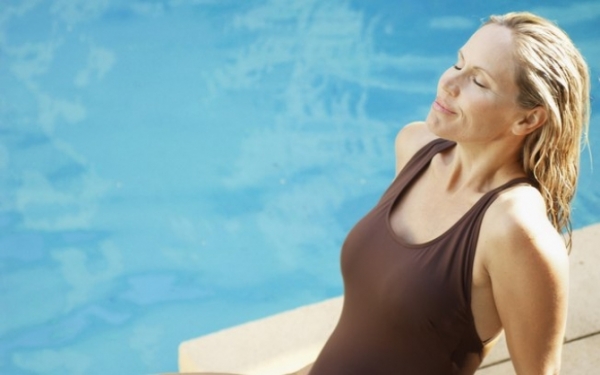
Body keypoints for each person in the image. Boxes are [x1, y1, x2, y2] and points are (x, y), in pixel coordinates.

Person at [190, 10, 590, 375]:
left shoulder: (516, 230)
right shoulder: (416, 146)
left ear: (528, 118)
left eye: (478, 81)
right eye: (458, 62)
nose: (449, 82)